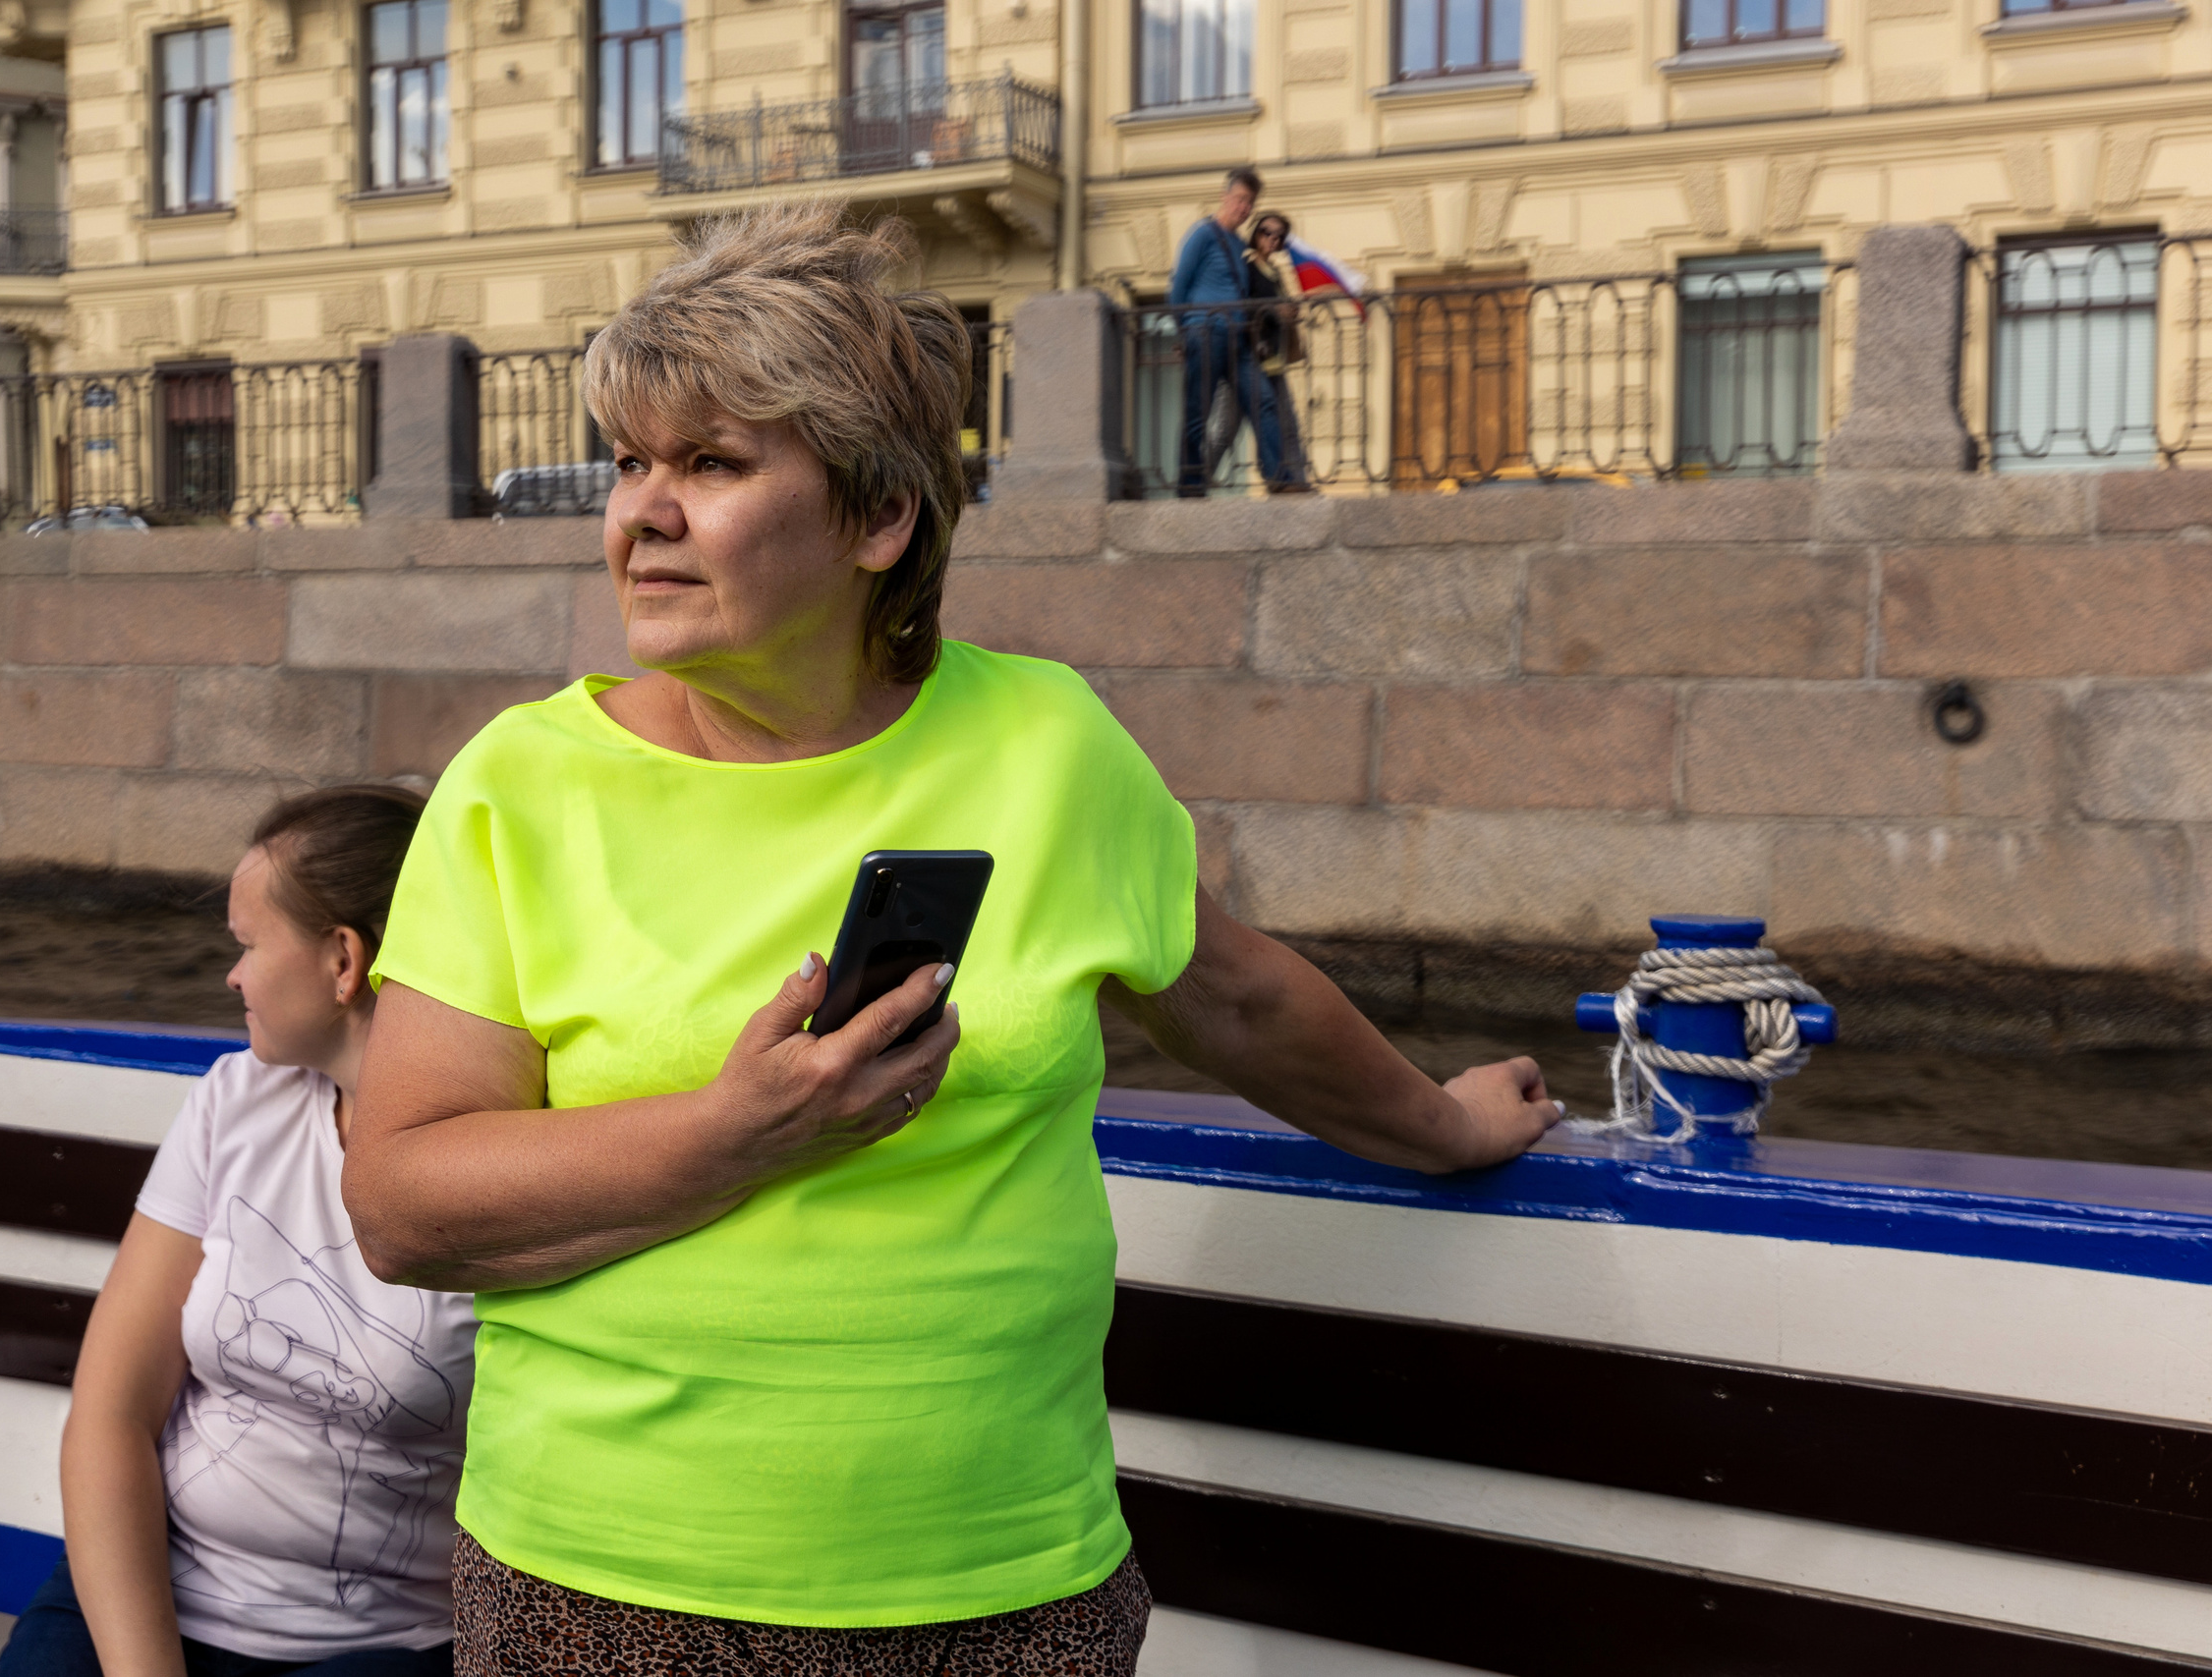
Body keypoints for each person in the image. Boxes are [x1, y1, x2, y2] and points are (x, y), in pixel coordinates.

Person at [343, 201, 1558, 1677]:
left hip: (1009, 1584)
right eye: (629, 462)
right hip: (609, 1584)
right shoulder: (519, 783)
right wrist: (742, 1128)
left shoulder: (1048, 743)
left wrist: (1443, 1124)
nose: (639, 511)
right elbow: (401, 1201)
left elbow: (1232, 998)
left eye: (712, 464)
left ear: (879, 517)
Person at [0, 785, 475, 1677]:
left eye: (249, 944)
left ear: (343, 960)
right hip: (159, 1589)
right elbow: (111, 1411)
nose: (232, 975)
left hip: (385, 1641)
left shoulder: (496, 1160)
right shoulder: (234, 1100)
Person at [1165, 165, 1288, 495]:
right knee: (1197, 411)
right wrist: (1185, 333)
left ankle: (1279, 477)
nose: (1244, 208)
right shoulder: (1201, 234)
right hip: (1205, 333)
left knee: (1263, 401)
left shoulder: (1238, 246)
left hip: (1239, 339)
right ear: (1225, 196)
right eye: (1240, 199)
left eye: (1250, 203)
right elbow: (1178, 288)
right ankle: (1190, 484)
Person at [1245, 211, 1314, 495]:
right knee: (1226, 430)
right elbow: (1243, 306)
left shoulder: (1274, 272)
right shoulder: (1246, 268)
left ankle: (1294, 480)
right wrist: (1276, 310)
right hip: (1248, 359)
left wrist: (1290, 310)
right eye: (1266, 232)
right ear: (1254, 233)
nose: (1272, 239)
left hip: (1272, 358)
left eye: (1278, 236)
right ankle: (1194, 480)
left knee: (1287, 421)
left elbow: (1276, 308)